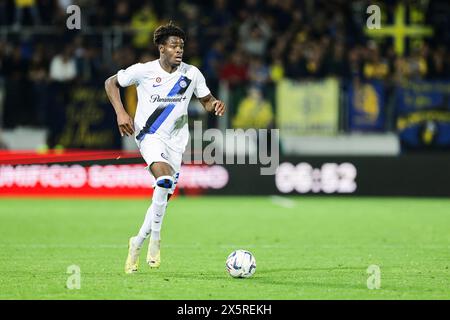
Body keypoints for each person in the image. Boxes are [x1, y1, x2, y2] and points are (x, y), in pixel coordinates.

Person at [104, 22, 226, 274]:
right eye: (173, 46)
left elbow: (205, 100)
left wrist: (214, 105)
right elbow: (110, 83)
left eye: (181, 46)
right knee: (165, 179)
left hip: (177, 141)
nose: (178, 50)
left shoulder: (192, 74)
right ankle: (156, 242)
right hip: (149, 135)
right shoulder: (143, 71)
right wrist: (120, 112)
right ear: (161, 48)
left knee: (164, 194)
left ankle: (137, 241)